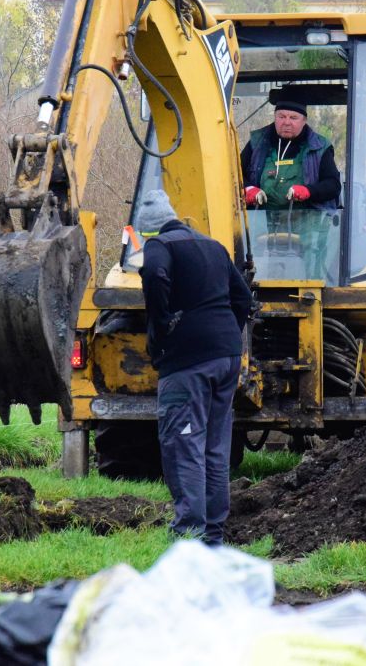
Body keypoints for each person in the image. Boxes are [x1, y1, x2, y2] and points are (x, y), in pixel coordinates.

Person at [134, 188, 253, 545]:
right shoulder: (213, 246)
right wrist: (225, 331)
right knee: (215, 448)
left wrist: (162, 323)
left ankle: (189, 535)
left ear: (147, 229)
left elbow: (155, 277)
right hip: (226, 357)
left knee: (183, 443)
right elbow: (243, 298)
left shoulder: (159, 247)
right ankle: (213, 536)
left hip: (188, 364)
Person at [239, 98, 341, 211]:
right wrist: (248, 188)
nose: (287, 122)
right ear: (275, 117)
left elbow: (333, 185)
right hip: (260, 221)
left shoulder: (319, 146)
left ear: (304, 120)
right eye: (281, 117)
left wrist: (309, 191)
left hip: (308, 223)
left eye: (293, 118)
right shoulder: (257, 142)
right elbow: (234, 174)